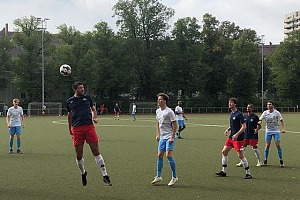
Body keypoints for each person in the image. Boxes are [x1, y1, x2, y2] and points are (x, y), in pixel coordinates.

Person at [67, 81, 112, 186]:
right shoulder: (69, 101)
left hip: (89, 127)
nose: (82, 89)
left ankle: (105, 175)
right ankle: (83, 173)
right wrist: (70, 129)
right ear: (75, 90)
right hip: (77, 129)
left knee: (96, 151)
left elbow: (93, 109)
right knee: (79, 155)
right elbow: (69, 116)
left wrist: (95, 117)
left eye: (83, 88)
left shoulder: (87, 98)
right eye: (80, 88)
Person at [215, 97, 252, 179]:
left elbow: (244, 127)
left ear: (235, 104)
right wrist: (228, 129)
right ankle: (223, 171)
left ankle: (248, 173)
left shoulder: (239, 114)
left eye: (231, 102)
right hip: (231, 137)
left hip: (238, 139)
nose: (229, 104)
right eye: (229, 102)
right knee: (224, 152)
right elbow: (234, 125)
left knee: (240, 156)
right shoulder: (231, 113)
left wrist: (237, 134)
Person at [151, 93, 178, 186]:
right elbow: (158, 123)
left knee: (168, 155)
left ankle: (174, 177)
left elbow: (175, 125)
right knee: (159, 155)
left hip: (170, 136)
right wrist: (157, 134)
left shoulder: (169, 112)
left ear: (165, 101)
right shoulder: (157, 111)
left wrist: (172, 136)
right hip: (162, 137)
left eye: (160, 99)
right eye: (158, 99)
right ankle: (158, 176)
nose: (158, 101)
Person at [258, 100, 286, 167]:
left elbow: (282, 120)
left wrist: (283, 128)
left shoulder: (277, 112)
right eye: (267, 104)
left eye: (270, 104)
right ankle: (265, 160)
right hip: (268, 131)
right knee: (267, 145)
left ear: (273, 105)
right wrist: (259, 123)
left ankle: (281, 161)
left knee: (278, 145)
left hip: (276, 130)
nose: (268, 106)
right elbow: (260, 120)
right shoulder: (265, 113)